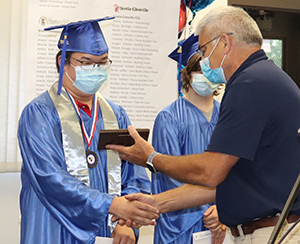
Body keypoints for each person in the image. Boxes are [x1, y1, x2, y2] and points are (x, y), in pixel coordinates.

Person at [107, 6, 300, 244]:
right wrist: (156, 203)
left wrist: (151, 158)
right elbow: (227, 180)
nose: (204, 59)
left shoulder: (249, 83)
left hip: (270, 231)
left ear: (225, 43)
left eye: (204, 49)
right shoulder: (263, 77)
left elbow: (210, 172)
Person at [17, 17, 158, 244]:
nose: (96, 69)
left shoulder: (116, 114)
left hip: (110, 228)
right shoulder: (39, 113)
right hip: (53, 226)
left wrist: (126, 222)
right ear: (63, 62)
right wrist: (112, 205)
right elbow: (49, 177)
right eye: (86, 62)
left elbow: (134, 173)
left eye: (102, 63)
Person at [150, 33, 225, 244]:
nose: (207, 76)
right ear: (187, 73)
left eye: (211, 70)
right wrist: (207, 211)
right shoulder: (169, 117)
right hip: (182, 224)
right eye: (200, 71)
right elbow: (170, 175)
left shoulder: (227, 115)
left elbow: (235, 168)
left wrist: (222, 208)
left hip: (222, 220)